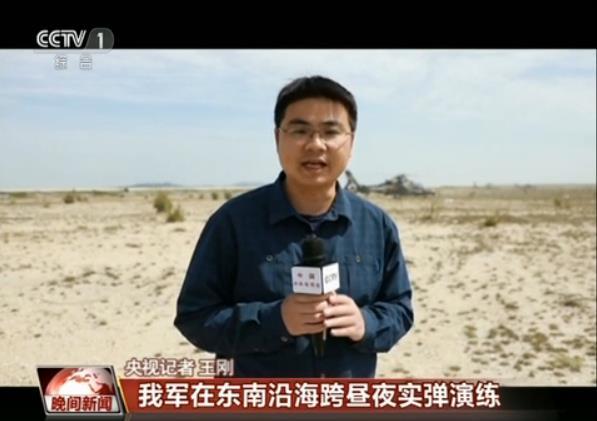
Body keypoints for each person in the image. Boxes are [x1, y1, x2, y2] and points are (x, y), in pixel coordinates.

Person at [174, 75, 413, 378]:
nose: (315, 144)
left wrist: (366, 323)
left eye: (330, 131)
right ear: (278, 139)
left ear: (351, 142)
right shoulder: (233, 222)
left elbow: (399, 310)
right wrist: (275, 319)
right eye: (300, 130)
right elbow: (195, 317)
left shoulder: (377, 226)